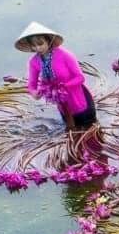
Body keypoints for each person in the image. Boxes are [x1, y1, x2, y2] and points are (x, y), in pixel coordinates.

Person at [16, 21, 101, 162]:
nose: (38, 48)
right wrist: (35, 93)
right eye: (34, 45)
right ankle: (76, 159)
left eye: (40, 43)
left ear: (48, 41)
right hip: (63, 106)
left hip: (80, 102)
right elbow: (31, 85)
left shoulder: (65, 55)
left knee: (91, 134)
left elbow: (80, 78)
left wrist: (62, 87)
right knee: (72, 131)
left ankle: (94, 161)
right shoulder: (34, 62)